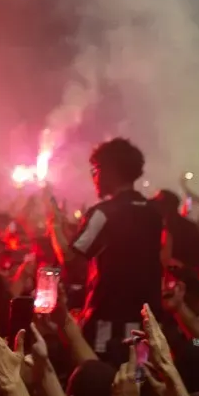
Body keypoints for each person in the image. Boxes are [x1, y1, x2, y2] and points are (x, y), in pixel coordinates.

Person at [59, 138, 163, 359]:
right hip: (146, 322)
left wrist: (52, 224)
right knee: (139, 379)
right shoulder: (153, 212)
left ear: (111, 171)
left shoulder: (106, 212)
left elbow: (70, 258)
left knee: (101, 382)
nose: (94, 177)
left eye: (96, 170)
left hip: (107, 322)